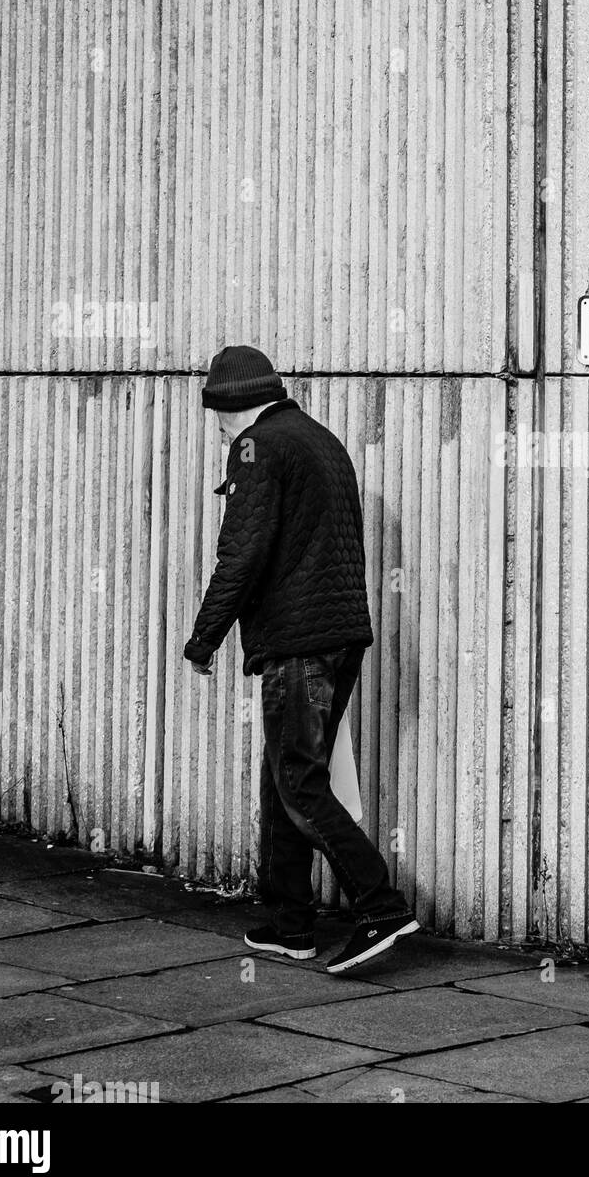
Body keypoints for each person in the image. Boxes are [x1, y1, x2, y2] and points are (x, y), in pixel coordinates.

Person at [182, 344, 418, 974]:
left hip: (297, 642)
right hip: (338, 636)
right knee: (285, 776)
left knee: (298, 782)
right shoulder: (320, 439)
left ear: (235, 405)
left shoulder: (257, 446)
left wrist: (205, 639)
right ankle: (291, 924)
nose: (220, 428)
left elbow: (243, 551)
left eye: (219, 415)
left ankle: (381, 907)